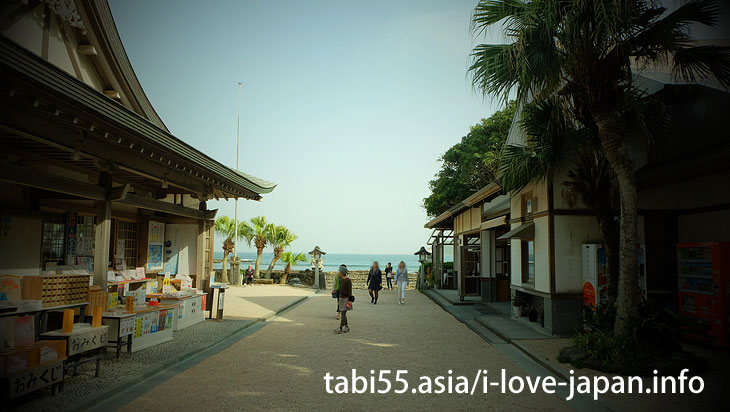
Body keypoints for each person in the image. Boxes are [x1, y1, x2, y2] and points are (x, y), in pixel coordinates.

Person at [334, 265, 352, 334]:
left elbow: (350, 291)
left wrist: (350, 301)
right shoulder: (341, 280)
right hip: (341, 298)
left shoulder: (348, 280)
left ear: (342, 272)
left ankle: (341, 328)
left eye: (339, 271)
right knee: (343, 313)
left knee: (343, 313)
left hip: (346, 299)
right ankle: (347, 326)